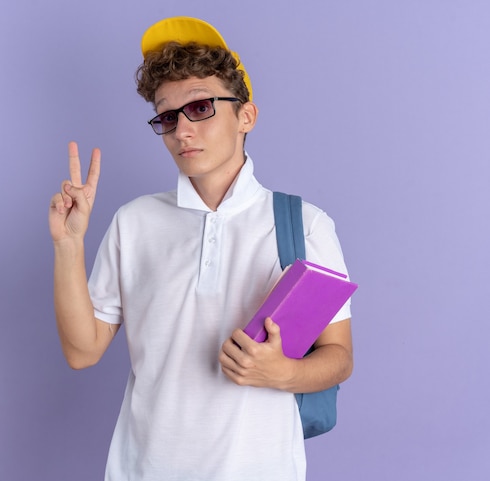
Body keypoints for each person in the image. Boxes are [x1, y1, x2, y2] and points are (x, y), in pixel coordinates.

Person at [49, 16, 353, 481]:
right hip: (142, 470)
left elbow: (339, 357)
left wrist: (282, 373)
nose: (182, 130)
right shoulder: (135, 222)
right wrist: (69, 245)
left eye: (201, 108)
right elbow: (82, 352)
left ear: (245, 115)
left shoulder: (305, 224)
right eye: (167, 117)